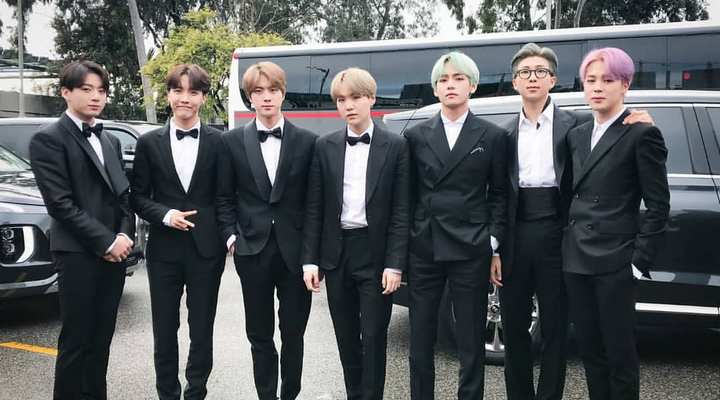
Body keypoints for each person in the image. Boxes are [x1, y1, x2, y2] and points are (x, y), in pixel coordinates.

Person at [495, 43, 653, 400]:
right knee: (515, 329)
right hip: (516, 237)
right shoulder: (502, 134)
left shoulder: (578, 125)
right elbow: (498, 193)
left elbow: (615, 134)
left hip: (561, 235)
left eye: (540, 71)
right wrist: (495, 247)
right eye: (524, 72)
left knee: (556, 329)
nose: (532, 78)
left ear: (553, 79)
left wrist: (642, 119)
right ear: (515, 82)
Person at [563, 47, 670, 400]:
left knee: (619, 355)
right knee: (590, 352)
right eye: (590, 80)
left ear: (625, 84)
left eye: (607, 80)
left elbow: (658, 205)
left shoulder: (641, 133)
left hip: (615, 261)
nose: (597, 87)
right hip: (576, 260)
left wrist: (638, 263)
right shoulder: (578, 133)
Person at [404, 51, 508, 400]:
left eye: (458, 78)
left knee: (470, 339)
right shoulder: (416, 136)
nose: (450, 85)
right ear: (435, 89)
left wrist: (492, 241)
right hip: (425, 248)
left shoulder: (492, 136)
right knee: (420, 338)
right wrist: (411, 237)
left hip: (471, 247)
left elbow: (500, 194)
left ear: (472, 86)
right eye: (443, 80)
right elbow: (408, 195)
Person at [301, 68, 409, 400]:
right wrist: (310, 261)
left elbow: (401, 210)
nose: (348, 105)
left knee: (374, 336)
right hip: (336, 254)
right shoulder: (324, 146)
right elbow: (315, 207)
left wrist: (395, 264)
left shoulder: (396, 146)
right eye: (341, 100)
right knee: (346, 337)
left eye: (356, 97)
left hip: (375, 254)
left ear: (371, 99)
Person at [29, 60, 135, 400]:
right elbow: (60, 205)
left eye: (101, 91)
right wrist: (106, 242)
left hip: (115, 254)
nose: (96, 97)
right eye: (87, 89)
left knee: (101, 339)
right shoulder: (48, 140)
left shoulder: (110, 141)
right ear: (66, 92)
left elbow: (124, 197)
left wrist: (124, 236)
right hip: (77, 254)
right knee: (77, 340)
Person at [216, 61, 317, 400]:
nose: (267, 97)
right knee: (259, 334)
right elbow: (224, 196)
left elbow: (313, 203)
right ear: (250, 97)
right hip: (251, 251)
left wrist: (311, 255)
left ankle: (290, 393)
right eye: (258, 91)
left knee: (294, 334)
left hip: (295, 253)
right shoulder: (231, 142)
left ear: (283, 94)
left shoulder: (307, 141)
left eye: (273, 90)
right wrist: (231, 237)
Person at [130, 64, 225, 400]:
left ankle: (196, 392)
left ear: (203, 97)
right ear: (168, 95)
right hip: (164, 250)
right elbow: (137, 196)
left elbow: (225, 196)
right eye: (178, 91)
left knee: (202, 329)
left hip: (207, 250)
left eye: (193, 92)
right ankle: (167, 394)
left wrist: (228, 235)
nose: (185, 98)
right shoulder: (148, 143)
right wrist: (165, 214)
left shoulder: (219, 142)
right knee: (165, 329)